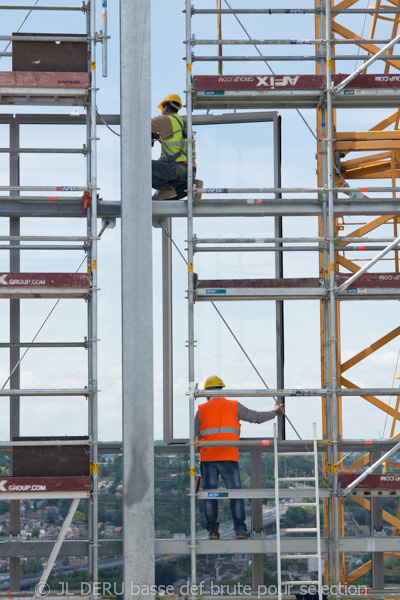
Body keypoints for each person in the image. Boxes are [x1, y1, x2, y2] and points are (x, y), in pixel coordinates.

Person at [194, 375, 284, 540]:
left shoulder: (201, 410)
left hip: (208, 458)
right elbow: (256, 417)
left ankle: (213, 531)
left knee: (210, 495)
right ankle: (240, 531)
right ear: (222, 390)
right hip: (229, 456)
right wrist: (275, 413)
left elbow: (195, 439)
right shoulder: (234, 406)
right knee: (235, 494)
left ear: (206, 393)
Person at [151, 93, 203, 201]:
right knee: (168, 197)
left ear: (165, 107)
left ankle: (166, 188)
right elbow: (173, 140)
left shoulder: (164, 120)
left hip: (176, 168)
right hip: (190, 171)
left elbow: (140, 125)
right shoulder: (183, 123)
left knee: (140, 167)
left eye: (162, 108)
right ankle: (191, 186)